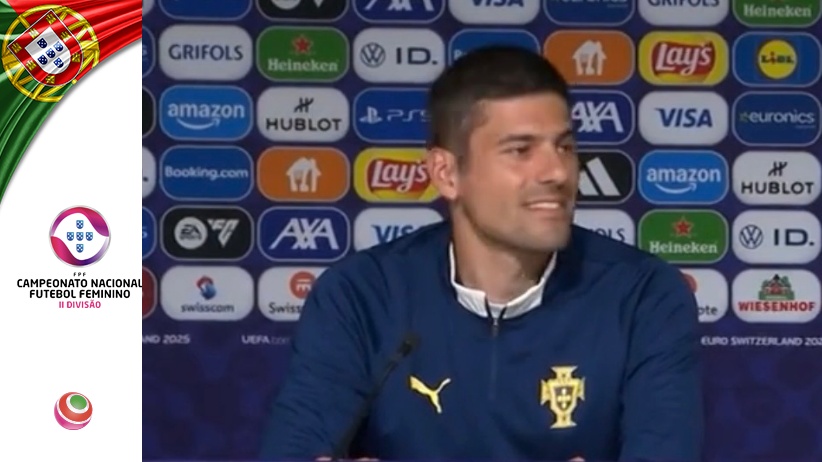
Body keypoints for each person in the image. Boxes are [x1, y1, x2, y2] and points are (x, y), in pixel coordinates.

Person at [259, 45, 704, 462]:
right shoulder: (361, 295)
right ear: (446, 173)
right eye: (520, 150)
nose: (557, 171)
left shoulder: (643, 295)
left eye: (565, 147)